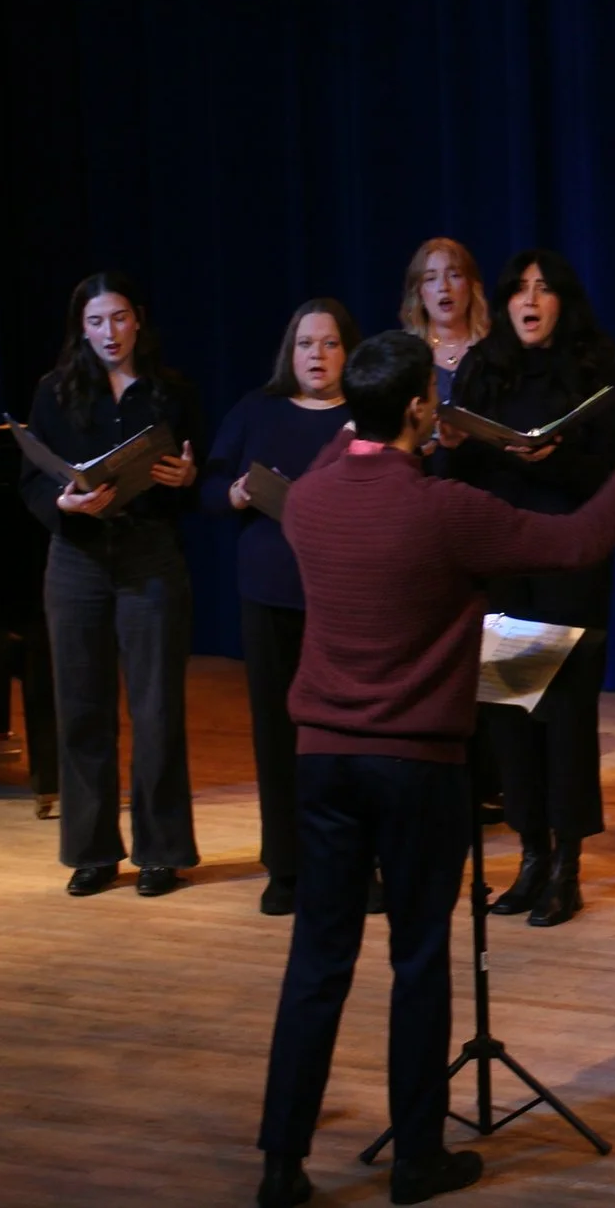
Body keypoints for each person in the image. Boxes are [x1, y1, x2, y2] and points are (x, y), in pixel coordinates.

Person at [254, 331, 615, 1208]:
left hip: (324, 762)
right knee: (419, 959)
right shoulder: (445, 509)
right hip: (414, 765)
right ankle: (417, 1157)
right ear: (420, 409)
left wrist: (397, 431)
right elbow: (575, 543)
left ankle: (280, 1165)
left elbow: (355, 450)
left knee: (317, 964)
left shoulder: (307, 501)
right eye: (433, 401)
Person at [442, 251, 615, 929]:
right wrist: (451, 439)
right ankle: (528, 855)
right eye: (519, 288)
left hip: (569, 564)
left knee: (565, 722)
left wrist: (559, 458)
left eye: (543, 289)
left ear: (562, 302)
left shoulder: (591, 366)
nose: (530, 299)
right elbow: (457, 464)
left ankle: (567, 867)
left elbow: (613, 473)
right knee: (513, 718)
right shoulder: (485, 368)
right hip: (507, 564)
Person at [18, 271, 203, 899]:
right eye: (96, 321)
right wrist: (64, 504)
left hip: (149, 555)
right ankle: (92, 852)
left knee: (155, 710)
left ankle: (162, 851)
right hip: (77, 557)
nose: (108, 333)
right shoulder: (54, 391)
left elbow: (197, 478)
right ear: (81, 327)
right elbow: (33, 479)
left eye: (118, 318)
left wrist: (185, 480)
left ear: (138, 320)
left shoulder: (169, 392)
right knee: (82, 707)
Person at [201, 298, 363, 917]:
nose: (316, 356)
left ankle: (355, 862)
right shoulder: (256, 410)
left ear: (348, 352)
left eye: (328, 344)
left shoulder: (363, 415)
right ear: (287, 353)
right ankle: (287, 867)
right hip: (269, 595)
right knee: (278, 736)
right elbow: (209, 489)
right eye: (305, 344)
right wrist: (238, 493)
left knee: (347, 739)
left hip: (344, 599)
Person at [399, 238, 491, 411]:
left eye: (454, 275)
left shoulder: (495, 350)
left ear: (471, 286)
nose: (444, 286)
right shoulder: (406, 358)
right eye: (431, 278)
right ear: (419, 293)